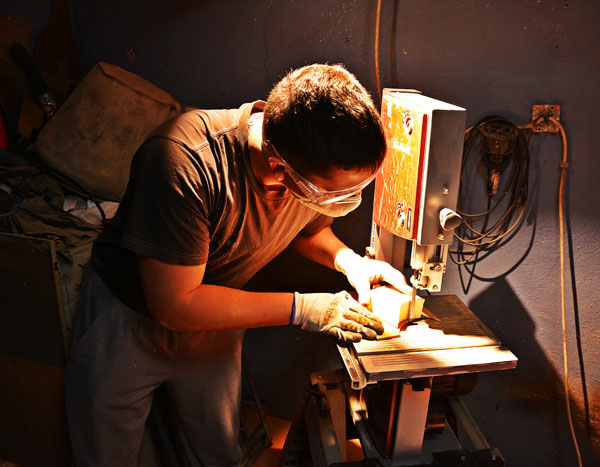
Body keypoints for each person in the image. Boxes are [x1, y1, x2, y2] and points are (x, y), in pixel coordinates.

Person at [64, 63, 412, 466]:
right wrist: (304, 308)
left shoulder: (307, 158)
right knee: (105, 452)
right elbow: (175, 305)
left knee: (217, 451)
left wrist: (349, 262)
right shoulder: (183, 162)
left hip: (218, 314)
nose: (343, 201)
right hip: (129, 319)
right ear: (280, 169)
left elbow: (309, 230)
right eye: (334, 194)